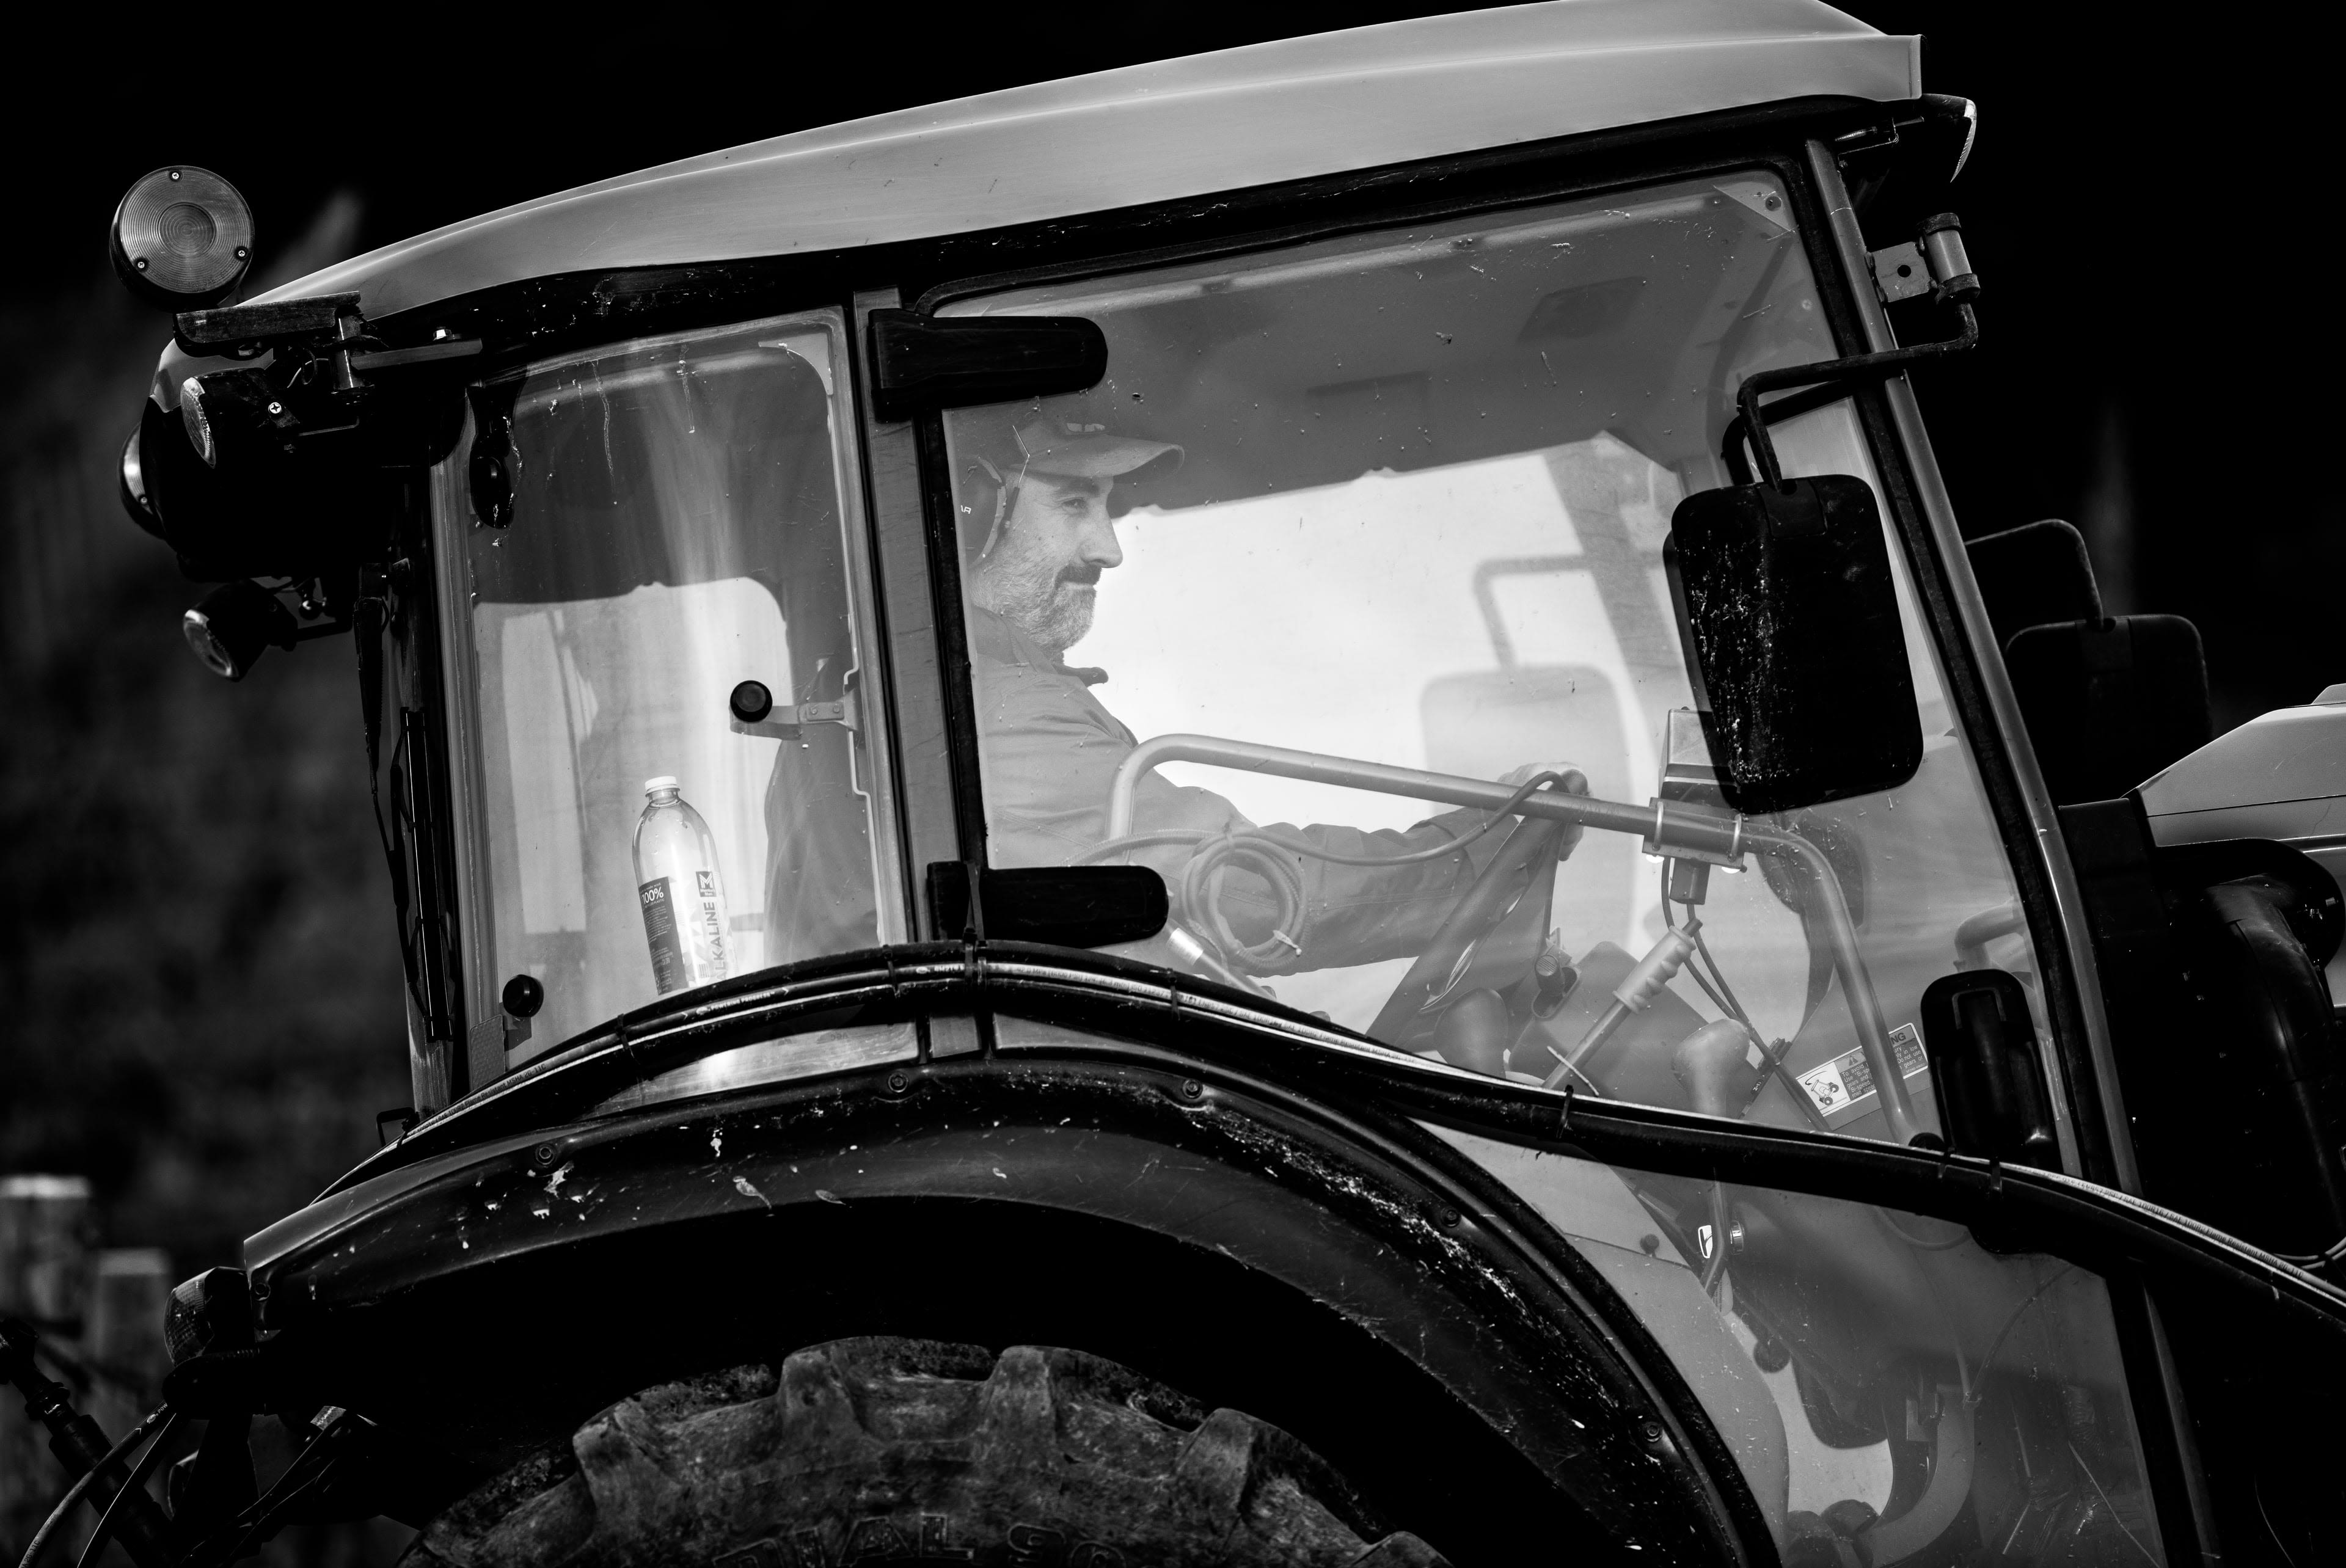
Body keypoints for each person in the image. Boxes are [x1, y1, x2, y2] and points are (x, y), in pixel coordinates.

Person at [957, 415, 1585, 982]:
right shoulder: (998, 714)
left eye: (1108, 509)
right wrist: (1482, 852)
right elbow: (1241, 892)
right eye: (1073, 503)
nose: (1109, 549)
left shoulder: (1002, 694)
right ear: (972, 512)